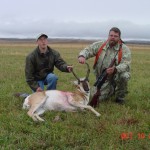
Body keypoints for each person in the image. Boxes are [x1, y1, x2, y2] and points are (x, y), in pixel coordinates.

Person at [78, 27, 131, 104]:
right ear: (108, 36)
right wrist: (82, 56)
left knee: (124, 76)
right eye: (111, 35)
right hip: (102, 77)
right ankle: (111, 90)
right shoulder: (100, 45)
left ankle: (120, 97)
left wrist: (115, 69)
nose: (113, 37)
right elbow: (88, 50)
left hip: (116, 76)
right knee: (95, 96)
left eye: (115, 36)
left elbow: (126, 64)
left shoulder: (125, 49)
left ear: (119, 37)